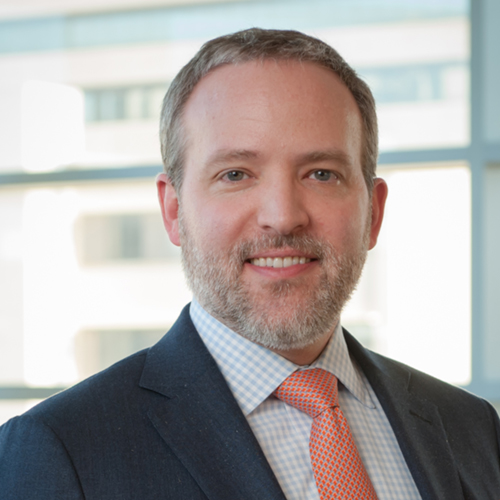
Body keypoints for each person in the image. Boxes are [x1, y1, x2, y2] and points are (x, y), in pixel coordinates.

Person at [0, 28, 499, 500]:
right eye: (236, 174)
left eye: (321, 174)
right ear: (173, 211)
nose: (282, 217)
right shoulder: (60, 450)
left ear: (374, 212)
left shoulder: (471, 428)